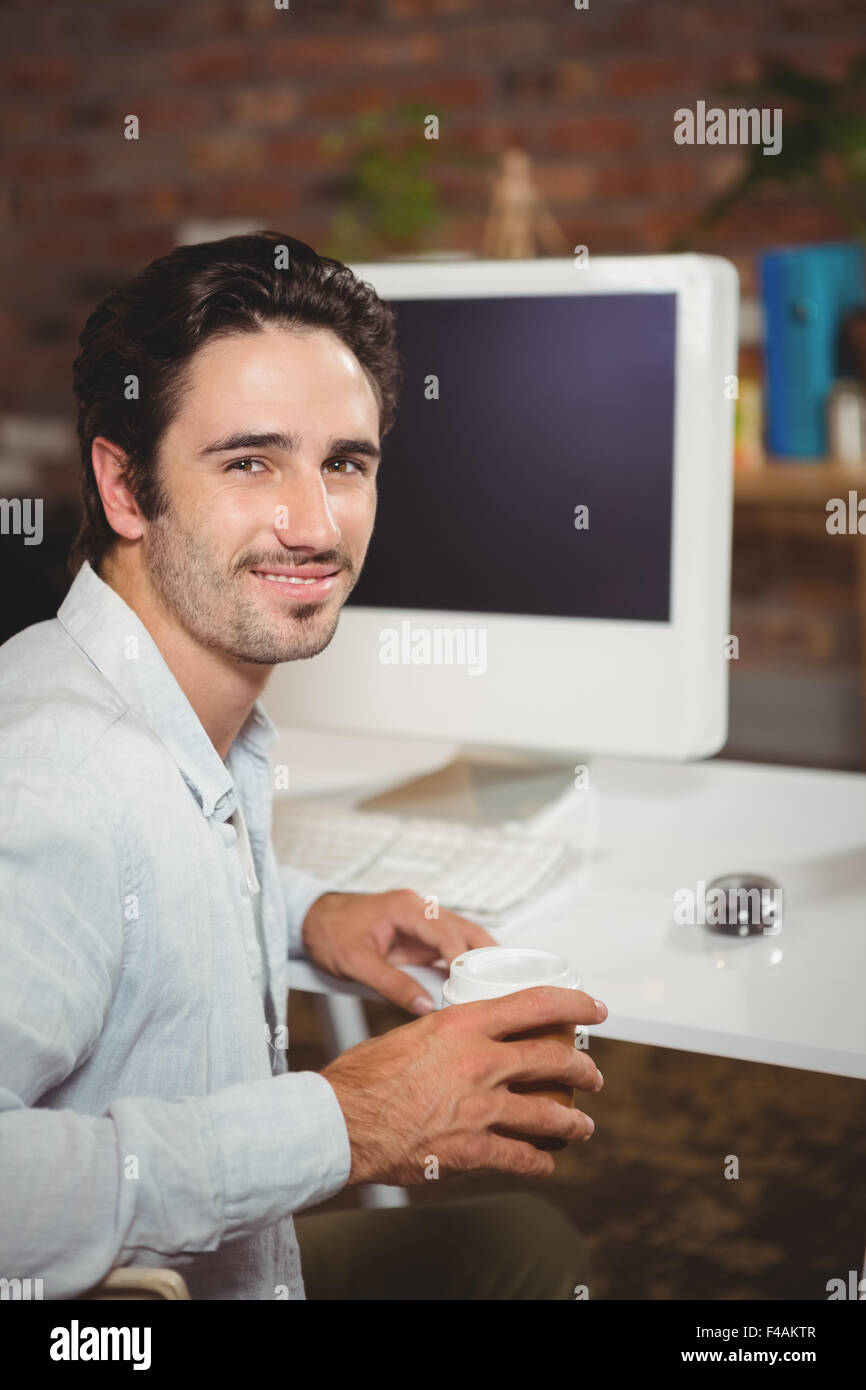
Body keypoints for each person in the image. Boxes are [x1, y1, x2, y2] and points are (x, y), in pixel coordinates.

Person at [0, 232, 605, 1300]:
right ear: (125, 487)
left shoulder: (144, 712)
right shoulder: (56, 779)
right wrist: (350, 1118)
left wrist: (303, 912)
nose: (315, 524)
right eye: (249, 461)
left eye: (343, 463)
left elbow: (132, 884)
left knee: (527, 1243)